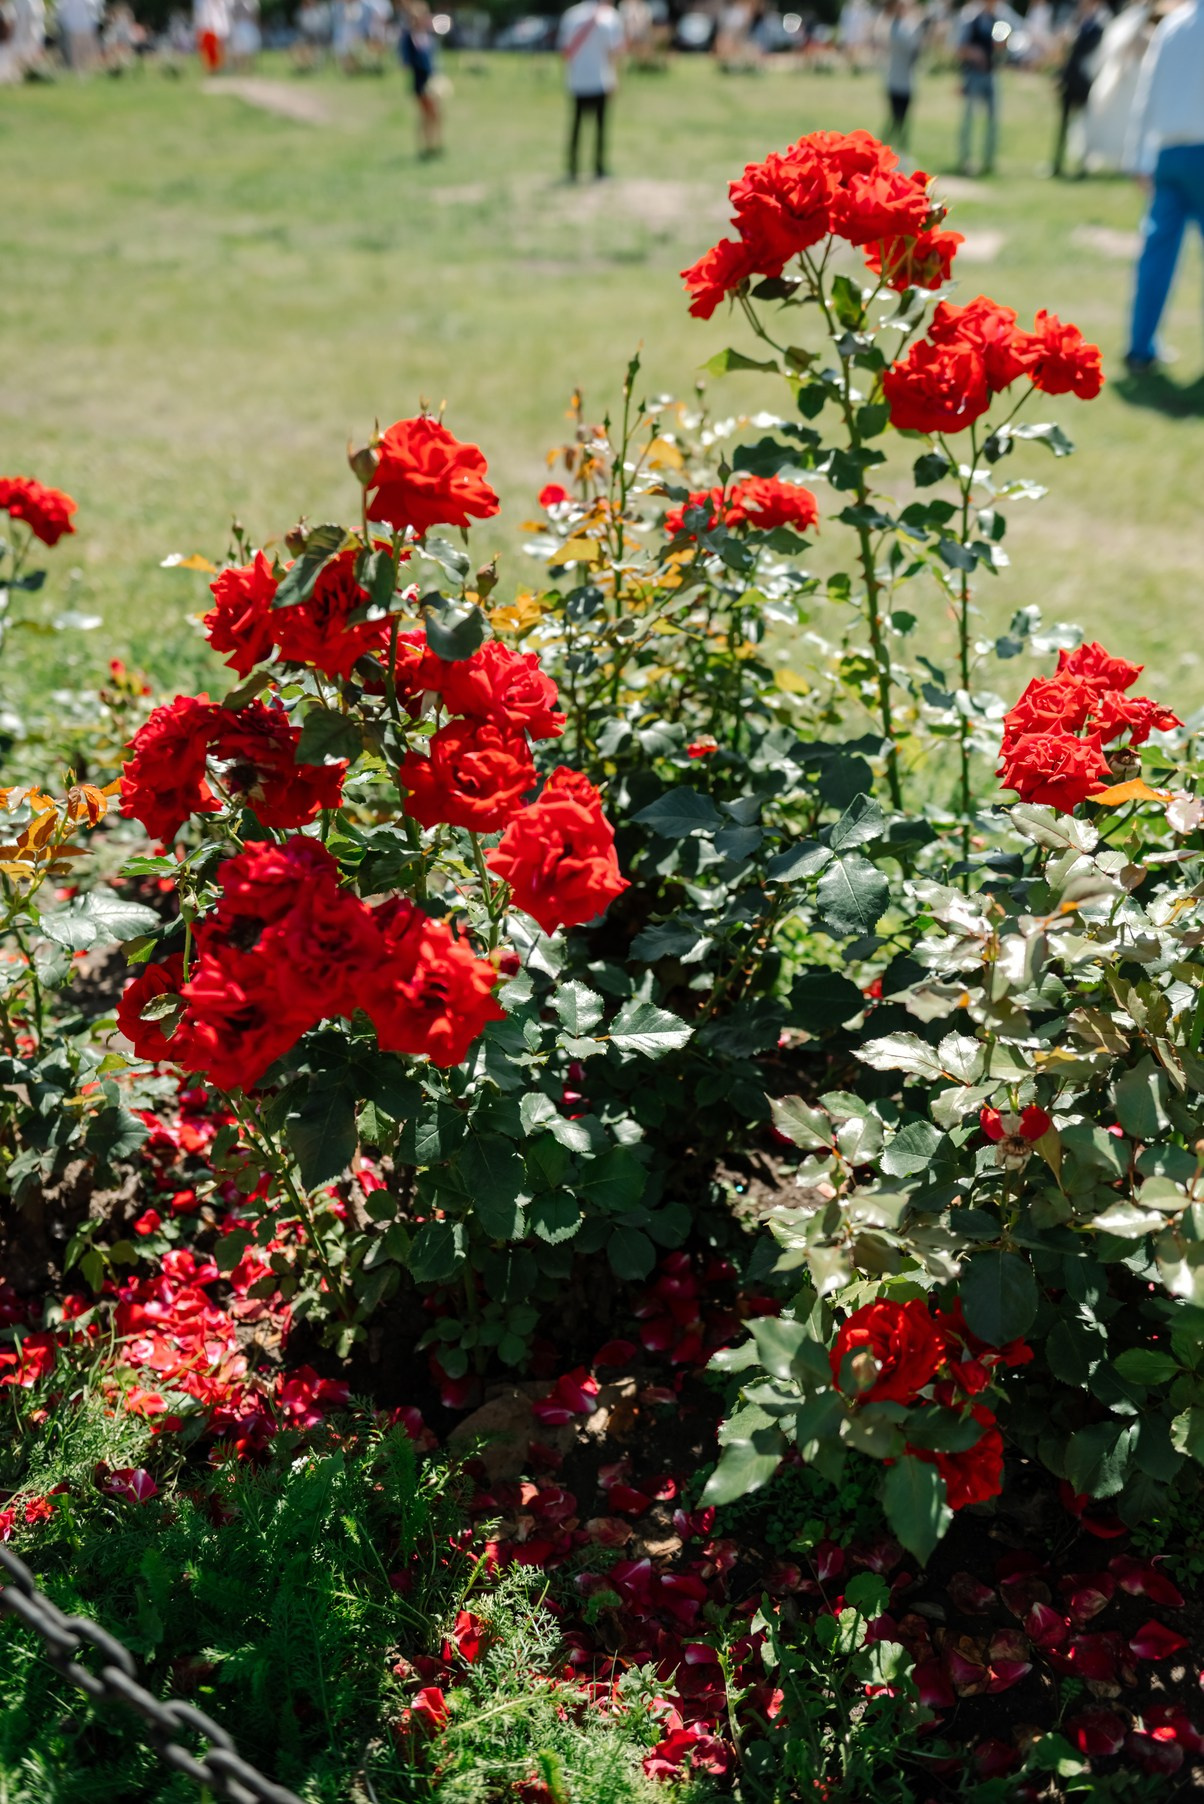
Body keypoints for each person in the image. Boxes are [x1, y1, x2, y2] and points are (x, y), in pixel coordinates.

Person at [1124, 0, 1204, 371]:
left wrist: (1139, 158)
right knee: (1157, 255)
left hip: (1168, 154)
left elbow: (1147, 95)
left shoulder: (1171, 26)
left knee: (1156, 256)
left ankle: (1140, 346)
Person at [558, 0, 625, 182]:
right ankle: (599, 168)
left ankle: (573, 168)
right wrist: (615, 79)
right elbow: (614, 52)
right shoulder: (610, 17)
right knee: (600, 127)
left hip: (577, 80)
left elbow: (564, 50)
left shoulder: (571, 15)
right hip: (601, 80)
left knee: (576, 126)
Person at [1052, 0, 1108, 176]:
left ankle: (1083, 165)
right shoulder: (1075, 23)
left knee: (1085, 124)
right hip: (1069, 80)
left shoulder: (1099, 27)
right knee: (1063, 123)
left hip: (1084, 81)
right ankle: (1057, 163)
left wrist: (1073, 39)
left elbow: (1089, 51)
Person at [956, 0, 1001, 174]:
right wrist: (975, 53)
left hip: (991, 73)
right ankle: (965, 159)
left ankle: (988, 161)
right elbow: (961, 48)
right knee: (968, 119)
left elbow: (1002, 47)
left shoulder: (997, 21)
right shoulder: (972, 21)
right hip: (973, 75)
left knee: (992, 120)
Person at [399, 0, 441, 156]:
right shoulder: (409, 37)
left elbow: (434, 58)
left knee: (435, 114)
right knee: (425, 114)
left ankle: (435, 143)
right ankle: (426, 145)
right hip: (420, 80)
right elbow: (405, 61)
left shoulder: (428, 36)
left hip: (432, 79)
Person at [883, 0, 924, 150]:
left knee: (903, 121)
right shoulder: (895, 27)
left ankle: (900, 150)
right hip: (895, 81)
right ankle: (887, 149)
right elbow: (909, 45)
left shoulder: (908, 26)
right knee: (895, 119)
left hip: (907, 82)